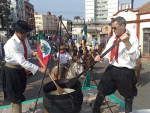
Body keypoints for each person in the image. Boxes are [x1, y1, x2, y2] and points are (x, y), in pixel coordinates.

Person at [2, 20, 50, 113]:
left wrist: (32, 53)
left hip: (20, 70)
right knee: (16, 98)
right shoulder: (11, 44)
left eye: (26, 33)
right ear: (17, 32)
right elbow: (22, 62)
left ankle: (15, 108)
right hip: (12, 71)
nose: (25, 35)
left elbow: (27, 50)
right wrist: (40, 69)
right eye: (23, 33)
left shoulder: (24, 39)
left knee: (19, 93)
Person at [93, 16, 139, 113]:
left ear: (122, 26)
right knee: (102, 89)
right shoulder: (113, 38)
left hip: (125, 71)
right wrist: (101, 56)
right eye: (112, 28)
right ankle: (95, 110)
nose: (113, 30)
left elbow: (135, 57)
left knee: (128, 96)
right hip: (112, 68)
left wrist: (127, 42)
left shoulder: (133, 37)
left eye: (115, 28)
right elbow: (107, 51)